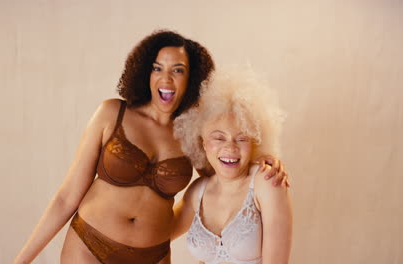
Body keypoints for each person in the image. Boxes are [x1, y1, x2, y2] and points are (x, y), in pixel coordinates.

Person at [14, 30, 287, 264]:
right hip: (90, 246)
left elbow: (226, 170)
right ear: (146, 72)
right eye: (158, 68)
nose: (166, 79)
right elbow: (66, 198)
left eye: (177, 70)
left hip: (153, 256)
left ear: (191, 79)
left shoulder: (192, 131)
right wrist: (22, 259)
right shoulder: (112, 113)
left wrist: (264, 160)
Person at [172, 68, 293, 264]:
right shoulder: (197, 191)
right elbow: (156, 236)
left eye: (241, 138)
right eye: (219, 138)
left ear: (255, 141)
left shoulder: (267, 181)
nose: (230, 147)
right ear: (202, 142)